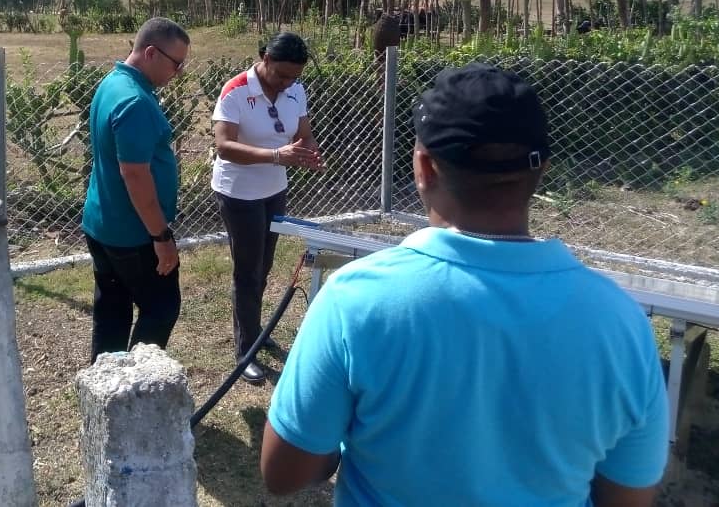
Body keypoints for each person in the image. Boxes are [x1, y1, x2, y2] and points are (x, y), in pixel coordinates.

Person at [261, 63, 668, 506]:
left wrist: (339, 444)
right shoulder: (621, 323)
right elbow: (627, 496)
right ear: (542, 169)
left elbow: (285, 472)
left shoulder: (355, 300)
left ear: (424, 167)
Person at [211, 32, 323, 384]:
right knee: (248, 270)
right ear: (265, 58)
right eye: (281, 75)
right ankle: (246, 351)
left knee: (265, 265)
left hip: (274, 189)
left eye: (295, 77)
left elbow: (303, 132)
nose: (288, 82)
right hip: (238, 192)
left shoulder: (295, 90)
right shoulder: (236, 91)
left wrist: (308, 151)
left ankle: (255, 330)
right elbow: (224, 146)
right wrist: (278, 155)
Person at [81, 17, 190, 363]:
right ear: (150, 53)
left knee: (112, 308)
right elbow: (135, 176)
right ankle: (137, 387)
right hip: (134, 234)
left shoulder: (112, 83)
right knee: (161, 307)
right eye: (177, 63)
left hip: (103, 224)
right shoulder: (135, 102)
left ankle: (103, 390)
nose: (179, 72)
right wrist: (161, 236)